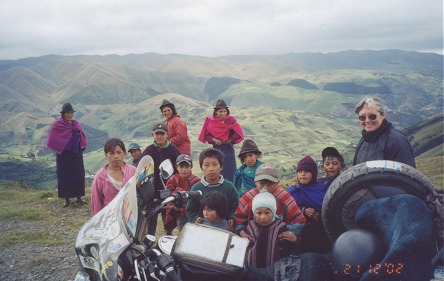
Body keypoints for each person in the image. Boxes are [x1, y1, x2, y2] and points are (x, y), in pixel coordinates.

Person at [234, 163, 306, 241]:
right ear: (255, 181)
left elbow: (298, 221)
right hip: (253, 241)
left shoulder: (284, 197)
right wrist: (242, 232)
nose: (265, 187)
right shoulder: (249, 197)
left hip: (279, 243)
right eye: (261, 183)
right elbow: (238, 219)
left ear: (277, 183)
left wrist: (291, 233)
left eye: (270, 184)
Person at [141, 122, 181, 235]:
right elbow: (141, 171)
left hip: (168, 191)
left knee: (168, 221)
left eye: (162, 134)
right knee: (150, 222)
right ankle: (149, 245)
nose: (159, 136)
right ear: (153, 135)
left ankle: (168, 243)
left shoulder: (174, 150)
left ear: (167, 135)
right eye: (157, 134)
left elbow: (180, 168)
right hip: (151, 193)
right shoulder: (148, 151)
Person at [353, 96, 416, 167]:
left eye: (372, 116)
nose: (367, 121)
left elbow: (405, 174)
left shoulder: (397, 140)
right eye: (362, 117)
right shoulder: (364, 139)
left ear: (383, 115)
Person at [186, 148, 239, 232]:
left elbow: (235, 205)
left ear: (221, 166)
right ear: (201, 168)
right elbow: (190, 210)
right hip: (202, 230)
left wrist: (232, 217)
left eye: (214, 164)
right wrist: (195, 219)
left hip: (225, 230)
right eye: (206, 165)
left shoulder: (229, 186)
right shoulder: (196, 188)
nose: (211, 169)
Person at [46, 103, 88, 208]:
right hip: (64, 155)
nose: (70, 115)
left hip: (76, 154)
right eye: (68, 113)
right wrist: (60, 146)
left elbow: (81, 135)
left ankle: (79, 197)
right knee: (65, 176)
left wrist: (81, 144)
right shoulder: (58, 124)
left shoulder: (76, 124)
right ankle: (67, 199)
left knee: (78, 174)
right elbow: (53, 138)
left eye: (71, 113)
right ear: (63, 114)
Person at [287, 155, 330, 254]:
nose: (303, 174)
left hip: (320, 231)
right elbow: (286, 209)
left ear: (314, 174)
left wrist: (318, 215)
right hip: (299, 233)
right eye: (300, 172)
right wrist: (303, 210)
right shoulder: (293, 190)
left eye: (306, 172)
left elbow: (328, 207)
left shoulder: (322, 189)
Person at [245, 190, 298, 268]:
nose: (263, 217)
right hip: (253, 267)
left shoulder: (280, 226)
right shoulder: (250, 226)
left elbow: (288, 247)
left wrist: (295, 239)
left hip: (274, 268)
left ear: (273, 212)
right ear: (254, 213)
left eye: (267, 213)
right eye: (259, 213)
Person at [198, 99, 244, 182]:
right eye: (220, 111)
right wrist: (214, 139)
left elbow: (238, 133)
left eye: (224, 111)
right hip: (216, 150)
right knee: (217, 169)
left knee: (230, 170)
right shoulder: (211, 121)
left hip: (228, 149)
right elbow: (207, 135)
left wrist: (230, 140)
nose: (223, 113)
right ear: (216, 112)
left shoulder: (231, 120)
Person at [90, 138, 136, 215]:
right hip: (109, 217)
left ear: (124, 153)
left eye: (119, 152)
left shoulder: (133, 171)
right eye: (111, 153)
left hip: (131, 216)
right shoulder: (100, 176)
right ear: (106, 154)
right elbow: (96, 201)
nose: (116, 156)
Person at [164, 154, 200, 235]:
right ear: (176, 167)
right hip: (179, 214)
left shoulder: (196, 181)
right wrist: (185, 193)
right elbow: (169, 193)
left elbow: (199, 196)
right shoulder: (173, 179)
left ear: (191, 167)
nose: (184, 169)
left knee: (194, 233)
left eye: (186, 166)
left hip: (193, 213)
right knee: (183, 233)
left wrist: (180, 192)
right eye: (181, 166)